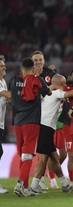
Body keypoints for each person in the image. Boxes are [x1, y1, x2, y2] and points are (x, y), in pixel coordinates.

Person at [30, 74, 73, 193]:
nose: (65, 86)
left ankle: (64, 183)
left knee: (54, 158)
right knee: (43, 159)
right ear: (59, 84)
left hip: (45, 127)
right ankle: (34, 186)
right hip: (45, 127)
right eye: (64, 84)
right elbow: (72, 93)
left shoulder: (45, 93)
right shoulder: (55, 93)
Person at [9, 57, 52, 197]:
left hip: (17, 122)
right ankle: (20, 184)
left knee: (23, 155)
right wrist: (37, 77)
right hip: (31, 122)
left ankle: (26, 188)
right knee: (28, 155)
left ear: (21, 68)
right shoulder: (37, 80)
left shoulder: (14, 80)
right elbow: (48, 92)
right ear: (33, 69)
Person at [31, 50, 57, 190]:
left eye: (40, 59)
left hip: (46, 119)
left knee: (44, 150)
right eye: (35, 60)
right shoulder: (26, 76)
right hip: (32, 118)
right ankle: (35, 180)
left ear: (44, 60)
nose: (38, 62)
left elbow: (60, 83)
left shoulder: (50, 74)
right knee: (36, 151)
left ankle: (39, 179)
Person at [0, 55, 10, 193]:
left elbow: (7, 100)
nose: (5, 67)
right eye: (2, 66)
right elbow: (8, 95)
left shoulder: (3, 81)